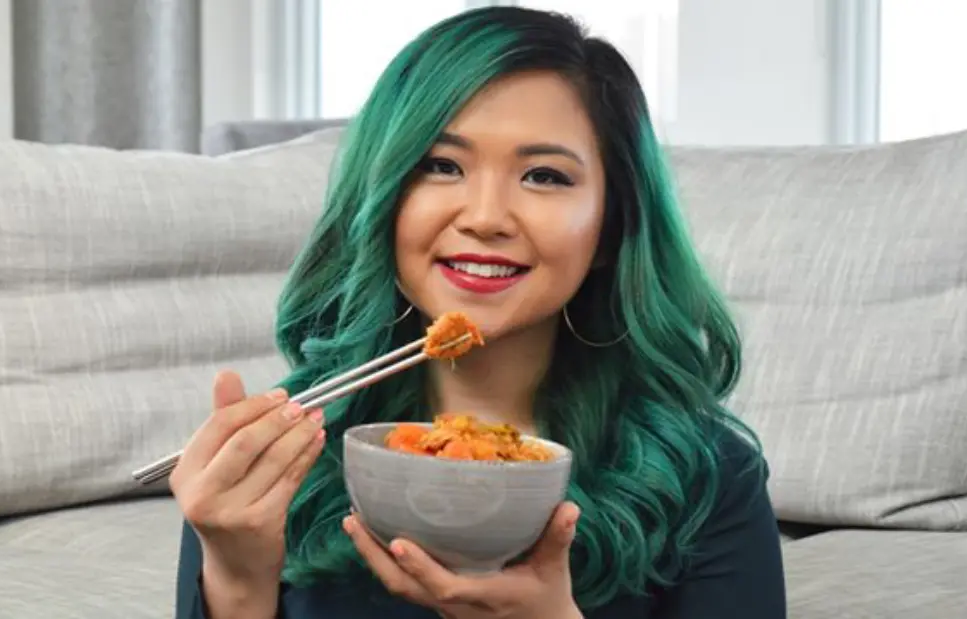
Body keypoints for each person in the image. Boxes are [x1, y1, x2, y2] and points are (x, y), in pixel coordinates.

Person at [170, 6, 786, 619]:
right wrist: (236, 571)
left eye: (544, 176)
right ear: (381, 199)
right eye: (442, 166)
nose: (486, 216)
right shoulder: (279, 456)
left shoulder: (705, 473)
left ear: (612, 226)